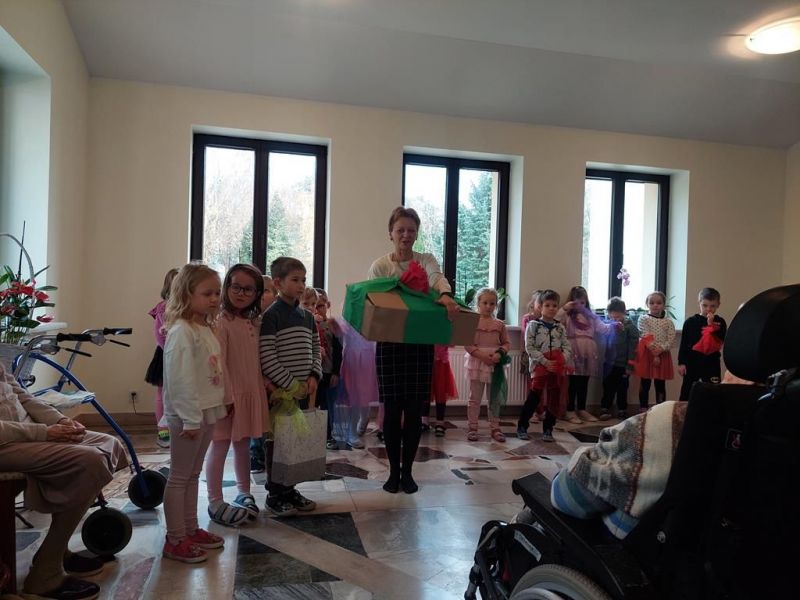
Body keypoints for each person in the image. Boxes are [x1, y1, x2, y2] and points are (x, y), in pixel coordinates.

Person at [0, 365, 128, 599]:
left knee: (110, 444)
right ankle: (45, 575)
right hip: (7, 444)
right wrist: (44, 433)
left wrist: (61, 421)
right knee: (90, 463)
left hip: (29, 434)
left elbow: (20, 394)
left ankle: (54, 551)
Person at [368, 206, 459, 494]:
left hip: (420, 344)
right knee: (392, 411)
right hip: (390, 345)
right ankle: (393, 473)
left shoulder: (425, 260)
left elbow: (437, 278)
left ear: (417, 233)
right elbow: (374, 302)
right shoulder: (380, 266)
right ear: (390, 233)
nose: (406, 235)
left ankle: (407, 472)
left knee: (415, 411)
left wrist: (445, 295)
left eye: (411, 230)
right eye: (400, 230)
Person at [161, 263, 228, 563]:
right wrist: (190, 419)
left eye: (217, 293)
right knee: (179, 477)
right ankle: (175, 538)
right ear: (187, 295)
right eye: (207, 293)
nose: (214, 299)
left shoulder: (204, 328)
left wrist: (218, 404)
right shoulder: (181, 332)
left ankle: (190, 528)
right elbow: (181, 380)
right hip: (188, 416)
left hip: (204, 412)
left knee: (193, 474)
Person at [205, 263, 267, 527]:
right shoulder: (221, 321)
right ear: (227, 287)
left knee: (242, 444)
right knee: (219, 444)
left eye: (248, 289)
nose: (241, 293)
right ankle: (215, 500)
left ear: (256, 293)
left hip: (249, 391)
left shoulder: (253, 321)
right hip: (226, 396)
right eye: (236, 287)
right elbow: (218, 363)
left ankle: (244, 492)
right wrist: (226, 397)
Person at [259, 256, 322, 517]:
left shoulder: (307, 317)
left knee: (294, 442)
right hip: (281, 393)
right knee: (277, 442)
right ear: (277, 283)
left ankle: (290, 488)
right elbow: (267, 355)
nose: (301, 285)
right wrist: (290, 384)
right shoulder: (271, 316)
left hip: (302, 390)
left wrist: (314, 376)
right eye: (295, 280)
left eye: (303, 280)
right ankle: (275, 493)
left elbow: (316, 348)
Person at [517, 289, 572, 442]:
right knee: (534, 396)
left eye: (555, 305)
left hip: (556, 367)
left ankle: (548, 429)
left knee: (554, 397)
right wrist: (545, 362)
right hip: (540, 366)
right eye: (547, 305)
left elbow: (566, 346)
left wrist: (561, 360)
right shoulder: (533, 325)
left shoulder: (560, 327)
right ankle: (522, 426)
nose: (551, 308)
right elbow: (530, 347)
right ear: (540, 307)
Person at [558, 286, 618, 424]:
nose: (580, 305)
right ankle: (569, 410)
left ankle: (582, 409)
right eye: (576, 302)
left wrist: (614, 325)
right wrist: (565, 308)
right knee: (573, 382)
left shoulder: (591, 317)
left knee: (584, 382)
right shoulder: (567, 315)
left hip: (588, 351)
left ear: (586, 302)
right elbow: (555, 319)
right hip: (573, 350)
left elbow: (603, 329)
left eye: (582, 302)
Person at [464, 288, 511, 442]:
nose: (488, 306)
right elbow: (467, 344)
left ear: (496, 305)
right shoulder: (472, 321)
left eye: (492, 303)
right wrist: (482, 356)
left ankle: (495, 427)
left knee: (494, 397)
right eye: (485, 303)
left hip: (495, 364)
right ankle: (472, 427)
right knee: (475, 398)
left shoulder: (499, 324)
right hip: (477, 363)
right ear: (478, 303)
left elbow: (506, 343)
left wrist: (499, 353)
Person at [145, 267, 178, 448]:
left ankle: (176, 427)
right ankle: (163, 431)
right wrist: (171, 352)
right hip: (166, 354)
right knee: (163, 391)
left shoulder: (189, 307)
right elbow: (159, 335)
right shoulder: (163, 307)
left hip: (181, 354)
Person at [249, 275, 278, 473]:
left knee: (270, 418)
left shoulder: (275, 320)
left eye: (266, 291)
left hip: (274, 377)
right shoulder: (251, 321)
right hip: (255, 377)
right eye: (257, 291)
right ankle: (255, 453)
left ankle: (270, 452)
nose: (261, 295)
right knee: (256, 417)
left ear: (275, 295)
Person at [678, 287, 727, 401]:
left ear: (718, 305)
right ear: (699, 303)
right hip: (692, 362)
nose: (708, 309)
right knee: (687, 390)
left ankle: (712, 410)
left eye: (712, 306)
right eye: (705, 305)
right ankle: (684, 410)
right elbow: (684, 343)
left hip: (712, 362)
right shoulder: (690, 322)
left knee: (713, 391)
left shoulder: (720, 322)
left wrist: (711, 324)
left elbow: (722, 338)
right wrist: (681, 362)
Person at [633, 291, 676, 411]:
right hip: (647, 354)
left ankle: (660, 409)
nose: (655, 305)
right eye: (652, 303)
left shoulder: (668, 322)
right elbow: (644, 334)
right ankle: (643, 408)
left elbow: (671, 338)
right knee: (645, 382)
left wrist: (660, 349)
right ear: (647, 304)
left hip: (663, 354)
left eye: (659, 303)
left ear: (664, 305)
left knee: (660, 384)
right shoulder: (643, 318)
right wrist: (654, 350)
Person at [599, 297, 639, 420]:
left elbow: (633, 347)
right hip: (609, 363)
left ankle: (622, 409)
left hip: (623, 364)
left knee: (622, 388)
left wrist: (630, 364)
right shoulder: (608, 326)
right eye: (613, 317)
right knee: (607, 386)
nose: (615, 319)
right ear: (608, 314)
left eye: (618, 317)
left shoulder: (630, 327)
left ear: (624, 313)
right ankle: (605, 408)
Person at [313, 289, 344, 450]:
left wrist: (336, 372)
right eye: (314, 306)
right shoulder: (309, 323)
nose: (318, 309)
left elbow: (338, 350)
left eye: (321, 305)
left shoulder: (332, 325)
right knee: (313, 404)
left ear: (327, 305)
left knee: (327, 405)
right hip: (313, 372)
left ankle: (328, 435)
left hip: (328, 371)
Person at [520, 290, 544, 425]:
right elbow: (527, 336)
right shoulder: (528, 318)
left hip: (544, 356)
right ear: (533, 304)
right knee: (532, 385)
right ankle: (532, 411)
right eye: (539, 303)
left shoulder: (547, 320)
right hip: (530, 355)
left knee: (542, 384)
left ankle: (541, 410)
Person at [429, 344, 458, 437]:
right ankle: (424, 421)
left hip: (441, 361)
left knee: (441, 391)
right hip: (425, 360)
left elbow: (452, 343)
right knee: (426, 390)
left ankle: (440, 422)